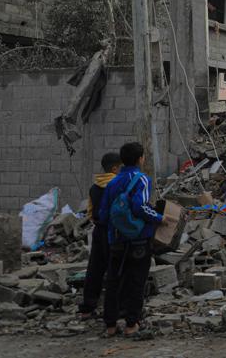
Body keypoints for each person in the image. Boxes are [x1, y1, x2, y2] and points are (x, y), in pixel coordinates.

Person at [98, 142, 164, 337]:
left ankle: (110, 325)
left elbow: (103, 214)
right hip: (138, 241)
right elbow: (139, 207)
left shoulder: (112, 182)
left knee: (114, 280)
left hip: (116, 240)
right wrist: (160, 218)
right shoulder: (141, 179)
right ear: (140, 159)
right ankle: (131, 324)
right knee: (136, 282)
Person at [78, 152, 122, 319]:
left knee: (95, 268)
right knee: (115, 270)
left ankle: (87, 307)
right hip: (114, 231)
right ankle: (115, 309)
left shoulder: (94, 187)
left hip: (98, 230)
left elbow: (90, 212)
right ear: (115, 168)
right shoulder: (118, 185)